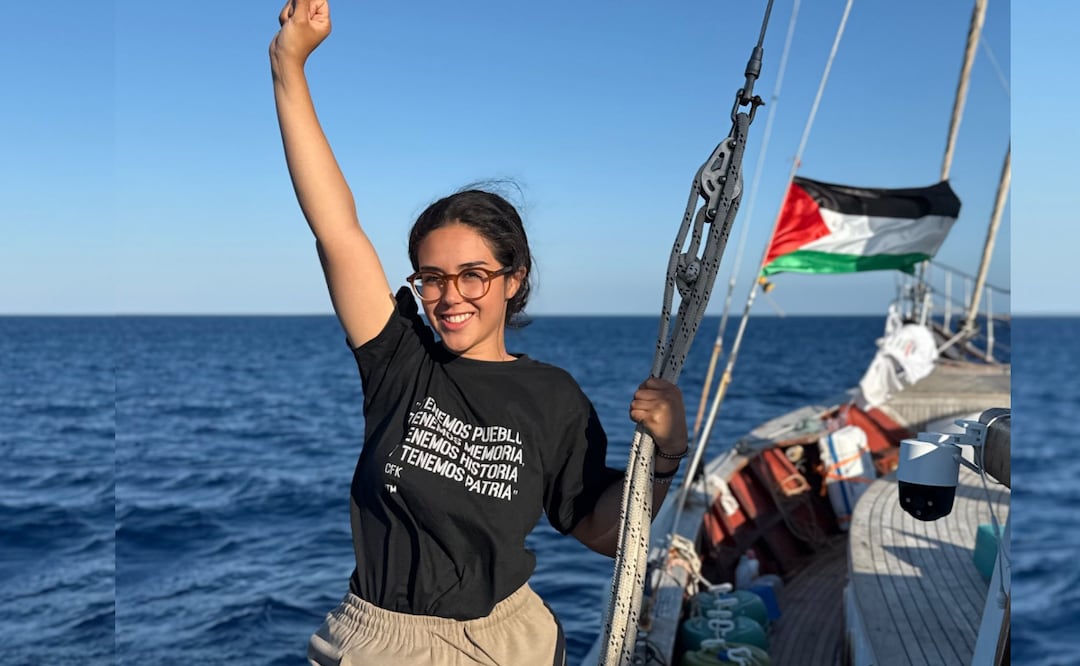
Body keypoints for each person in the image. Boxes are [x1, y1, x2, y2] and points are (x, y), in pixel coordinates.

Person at [270, 2, 689, 664]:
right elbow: (336, 228)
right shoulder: (399, 361)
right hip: (383, 642)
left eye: (473, 275)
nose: (450, 296)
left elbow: (601, 531)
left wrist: (667, 453)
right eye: (431, 278)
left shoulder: (553, 397)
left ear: (512, 278)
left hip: (510, 639)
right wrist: (287, 64)